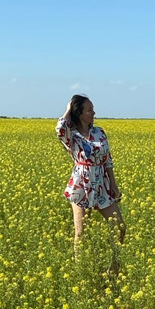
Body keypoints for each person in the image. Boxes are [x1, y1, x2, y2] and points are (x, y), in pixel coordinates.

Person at [56, 95, 126, 257]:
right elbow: (59, 129)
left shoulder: (99, 132)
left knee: (120, 227)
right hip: (81, 186)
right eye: (89, 110)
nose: (94, 113)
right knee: (81, 234)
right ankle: (81, 274)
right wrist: (68, 109)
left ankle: (113, 268)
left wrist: (113, 185)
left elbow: (107, 159)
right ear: (79, 114)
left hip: (102, 185)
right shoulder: (71, 136)